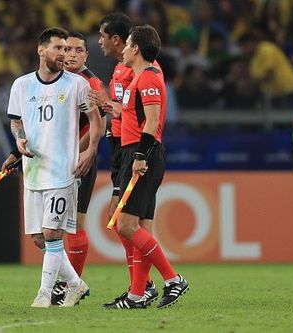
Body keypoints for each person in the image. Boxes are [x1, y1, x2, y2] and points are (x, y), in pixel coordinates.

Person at [2, 27, 101, 308]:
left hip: (63, 172)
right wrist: (19, 141)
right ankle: (76, 284)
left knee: (52, 233)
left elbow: (96, 121)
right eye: (58, 48)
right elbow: (17, 121)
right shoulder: (21, 85)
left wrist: (91, 151)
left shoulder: (76, 84)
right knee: (38, 238)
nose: (64, 54)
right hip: (33, 171)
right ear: (41, 50)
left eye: (67, 49)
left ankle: (44, 294)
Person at [102, 25, 189, 309]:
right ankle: (137, 294)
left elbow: (152, 123)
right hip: (135, 153)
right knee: (140, 227)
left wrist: (139, 157)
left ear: (136, 48)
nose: (124, 49)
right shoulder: (139, 78)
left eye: (127, 44)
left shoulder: (149, 78)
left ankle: (173, 278)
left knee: (125, 224)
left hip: (142, 156)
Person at [89, 13, 158, 307]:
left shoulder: (141, 71)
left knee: (126, 222)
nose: (99, 43)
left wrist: (110, 107)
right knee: (121, 221)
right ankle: (140, 287)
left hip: (135, 149)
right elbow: (123, 109)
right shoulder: (120, 69)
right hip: (119, 148)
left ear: (118, 40)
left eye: (102, 37)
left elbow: (138, 112)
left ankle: (148, 285)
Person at [49, 31, 107, 306]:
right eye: (66, 49)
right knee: (56, 226)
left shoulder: (89, 81)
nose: (71, 54)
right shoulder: (60, 80)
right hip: (58, 159)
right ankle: (67, 284)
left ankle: (71, 285)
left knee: (74, 224)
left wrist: (78, 150)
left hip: (78, 160)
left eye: (77, 50)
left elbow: (99, 123)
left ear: (86, 55)